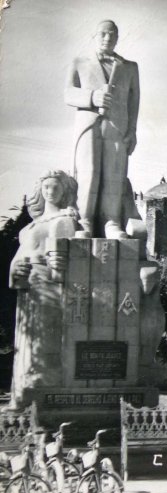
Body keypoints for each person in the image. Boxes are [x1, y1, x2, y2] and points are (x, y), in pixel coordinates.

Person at [9, 170, 81, 408]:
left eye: (56, 187)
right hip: (27, 286)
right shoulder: (30, 226)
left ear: (64, 192)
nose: (50, 192)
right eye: (46, 187)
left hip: (47, 286)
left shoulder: (64, 219)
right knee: (26, 342)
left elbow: (62, 257)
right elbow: (20, 256)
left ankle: (42, 398)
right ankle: (22, 397)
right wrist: (14, 271)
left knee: (45, 342)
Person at [65, 20, 140, 239]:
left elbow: (134, 101)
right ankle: (85, 221)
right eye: (103, 33)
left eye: (113, 34)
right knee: (88, 172)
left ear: (118, 38)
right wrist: (91, 97)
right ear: (95, 35)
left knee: (114, 176)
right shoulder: (79, 62)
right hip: (88, 125)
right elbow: (68, 93)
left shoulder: (130, 67)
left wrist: (133, 130)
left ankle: (112, 222)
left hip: (118, 127)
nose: (108, 38)